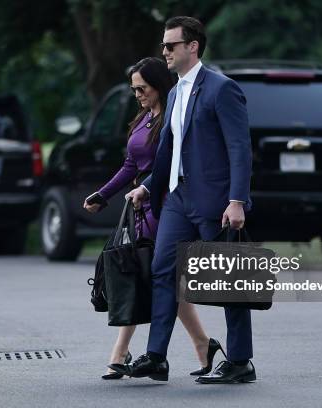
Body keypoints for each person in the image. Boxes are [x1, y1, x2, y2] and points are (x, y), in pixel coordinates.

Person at [109, 16, 255, 384]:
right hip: (176, 198)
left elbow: (240, 149)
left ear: (192, 46)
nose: (164, 52)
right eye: (163, 45)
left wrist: (236, 199)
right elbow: (169, 154)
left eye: (170, 45)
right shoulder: (174, 93)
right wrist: (149, 186)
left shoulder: (222, 89)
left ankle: (240, 361)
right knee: (162, 272)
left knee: (228, 280)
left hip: (214, 201)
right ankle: (156, 356)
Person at [83, 57, 224, 380]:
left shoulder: (174, 118)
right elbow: (130, 166)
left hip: (166, 204)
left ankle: (121, 353)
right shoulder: (144, 118)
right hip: (140, 208)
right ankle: (203, 344)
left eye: (142, 88)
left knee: (148, 274)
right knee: (161, 278)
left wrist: (146, 188)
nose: (138, 95)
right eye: (134, 89)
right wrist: (102, 195)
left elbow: (171, 164)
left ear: (159, 85)